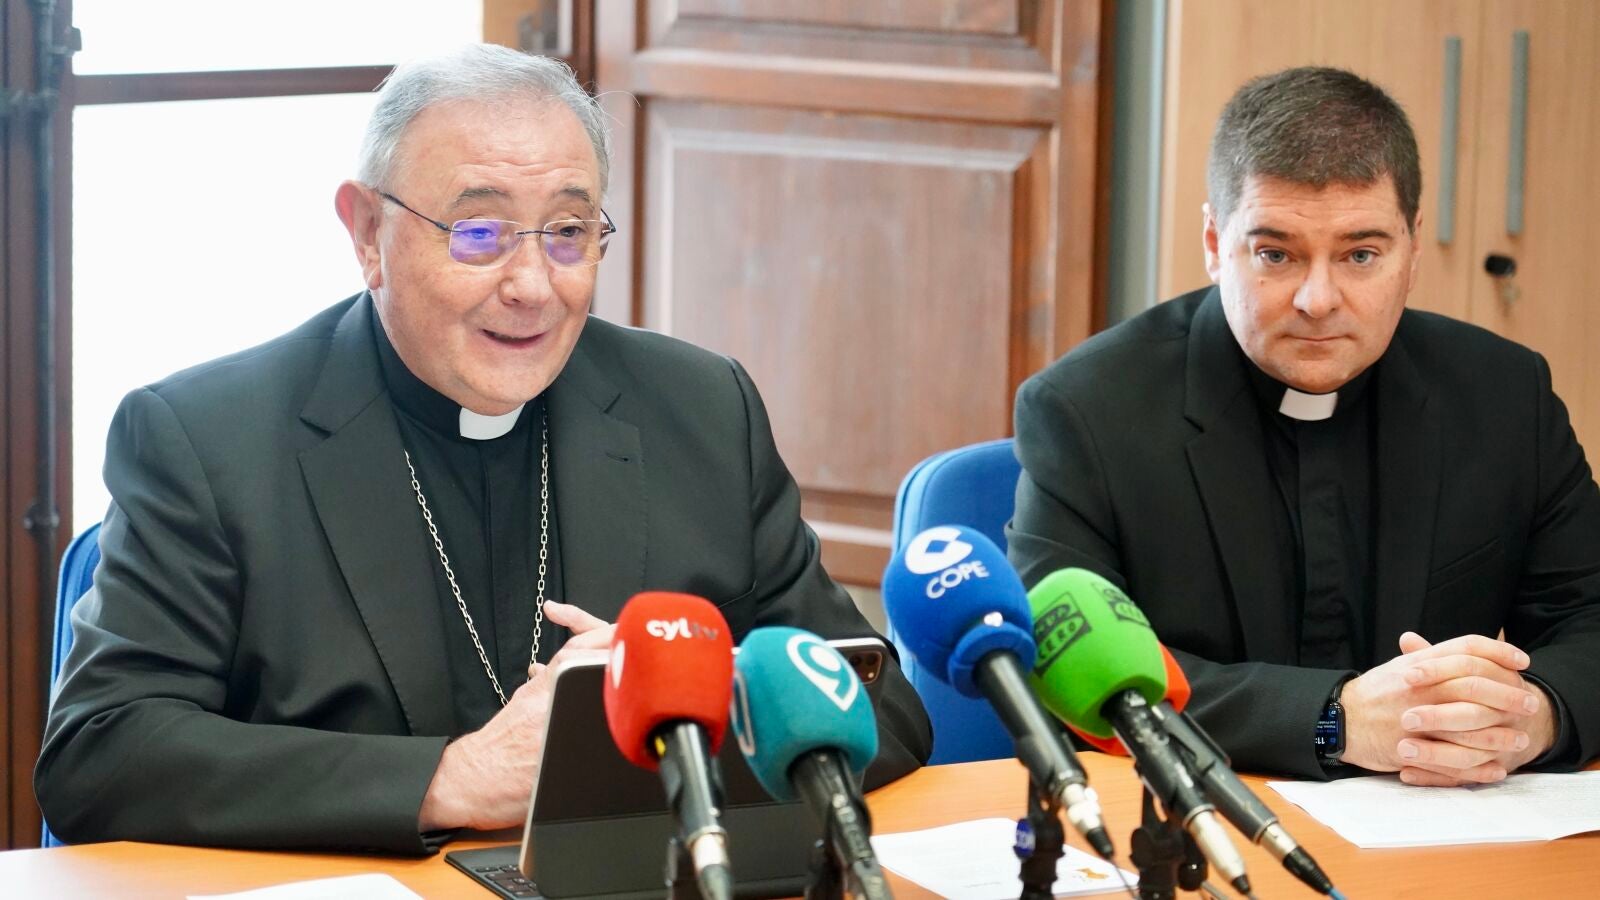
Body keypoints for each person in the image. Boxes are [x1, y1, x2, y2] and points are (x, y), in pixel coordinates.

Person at [36, 44, 931, 852]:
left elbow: (883, 707)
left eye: (568, 233)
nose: (532, 285)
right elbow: (101, 754)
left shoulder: (701, 410)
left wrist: (678, 721)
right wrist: (451, 778)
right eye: (479, 233)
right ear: (368, 234)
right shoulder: (206, 441)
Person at [1010, 67, 1599, 785]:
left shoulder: (1505, 395)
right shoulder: (1085, 411)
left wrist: (1536, 715)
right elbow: (1063, 671)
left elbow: (1590, 618)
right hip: (1200, 813)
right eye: (1275, 254)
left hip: (1450, 818)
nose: (1318, 300)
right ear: (1213, 242)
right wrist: (1333, 722)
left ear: (1413, 247)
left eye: (1361, 255)